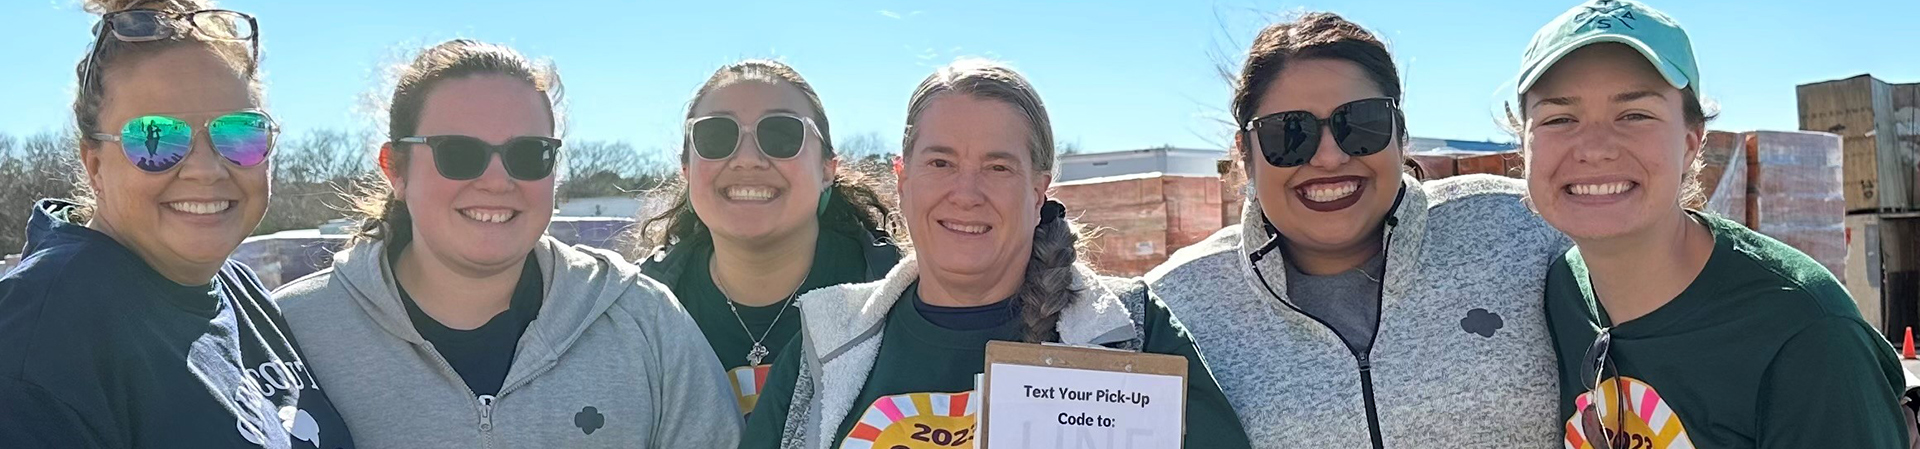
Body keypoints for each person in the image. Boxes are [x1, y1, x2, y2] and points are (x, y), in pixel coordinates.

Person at [741, 59, 1251, 449]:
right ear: (902, 182)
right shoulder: (827, 341)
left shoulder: (1135, 331)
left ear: (1038, 192)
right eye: (940, 162)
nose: (966, 193)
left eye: (998, 167)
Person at [274, 39, 739, 448]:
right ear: (395, 169)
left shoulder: (644, 321)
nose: (497, 180)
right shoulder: (288, 333)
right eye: (458, 152)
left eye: (528, 154)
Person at [1144, 12, 1570, 447]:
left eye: (1360, 123)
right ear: (1245, 154)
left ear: (1400, 134)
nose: (1329, 157)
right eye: (1290, 133)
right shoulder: (1170, 311)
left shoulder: (1524, 228)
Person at [1515, 1, 1911, 447]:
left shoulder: (1807, 336)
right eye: (1559, 118)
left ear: (1690, 143)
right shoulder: (1555, 295)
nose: (1594, 148)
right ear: (1524, 146)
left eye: (1634, 115)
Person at [0, 0, 351, 447]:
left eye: (238, 133)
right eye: (156, 138)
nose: (205, 169)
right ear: (95, 166)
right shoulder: (41, 339)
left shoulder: (237, 289)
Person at [635, 60, 901, 416]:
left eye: (781, 134)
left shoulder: (901, 303)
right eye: (716, 136)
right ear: (687, 169)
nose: (747, 159)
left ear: (827, 169)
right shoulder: (634, 313)